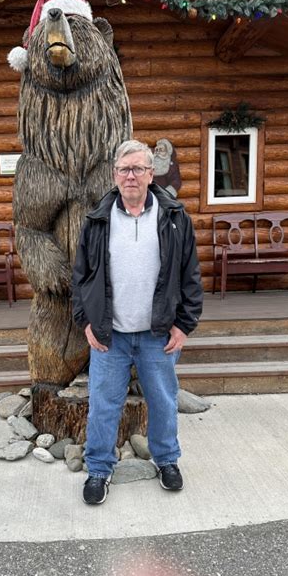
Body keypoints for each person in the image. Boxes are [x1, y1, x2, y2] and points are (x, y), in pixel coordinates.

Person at [72, 139, 203, 505]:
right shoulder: (97, 220)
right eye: (124, 169)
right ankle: (98, 468)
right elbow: (80, 277)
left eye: (138, 169)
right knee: (103, 404)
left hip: (157, 333)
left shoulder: (174, 218)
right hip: (108, 335)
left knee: (162, 401)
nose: (131, 176)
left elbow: (190, 275)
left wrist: (184, 325)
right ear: (115, 175)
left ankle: (167, 461)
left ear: (151, 174)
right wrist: (85, 320)